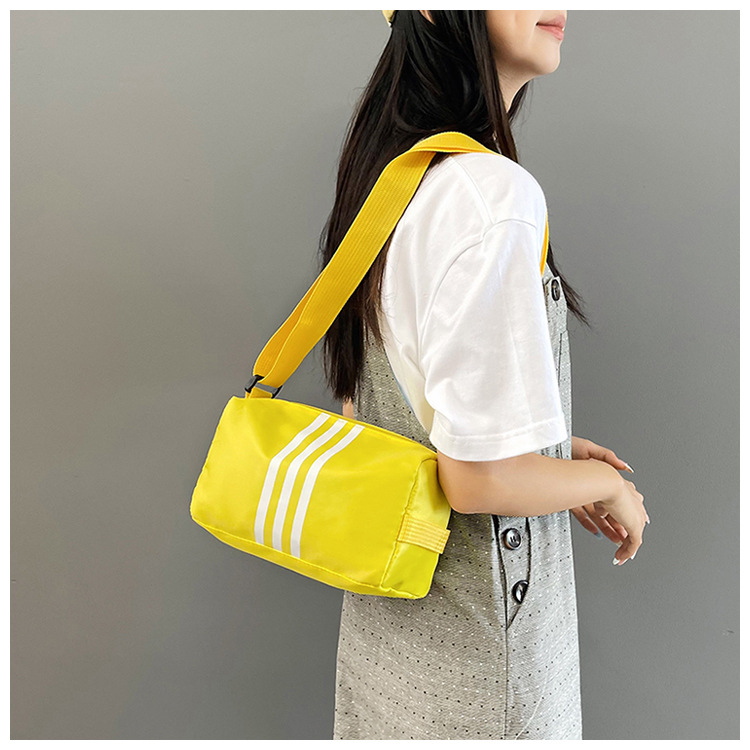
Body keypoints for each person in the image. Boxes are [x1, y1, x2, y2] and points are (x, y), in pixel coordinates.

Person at [318, 10, 649, 740]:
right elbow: (478, 481)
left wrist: (548, 452)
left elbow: (382, 408)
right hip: (481, 673)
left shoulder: (390, 175)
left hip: (388, 646)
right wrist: (606, 484)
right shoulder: (492, 194)